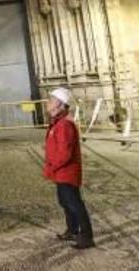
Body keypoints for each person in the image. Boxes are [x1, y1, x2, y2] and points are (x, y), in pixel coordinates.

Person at [43, 87, 94, 249]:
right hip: (61, 172)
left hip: (66, 171)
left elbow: (64, 154)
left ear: (59, 104)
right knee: (65, 201)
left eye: (51, 100)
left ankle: (86, 237)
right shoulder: (59, 122)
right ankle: (72, 230)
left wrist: (51, 168)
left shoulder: (64, 124)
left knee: (74, 203)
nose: (47, 103)